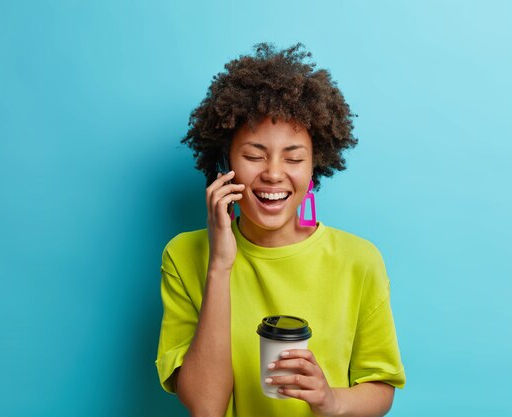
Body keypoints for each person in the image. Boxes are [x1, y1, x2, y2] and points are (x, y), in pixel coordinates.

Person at [156, 43, 406, 417]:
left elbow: (380, 388)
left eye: (294, 158)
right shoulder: (185, 255)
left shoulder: (359, 260)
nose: (273, 173)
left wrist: (331, 400)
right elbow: (206, 407)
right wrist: (221, 265)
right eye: (254, 155)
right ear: (225, 163)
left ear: (315, 165)